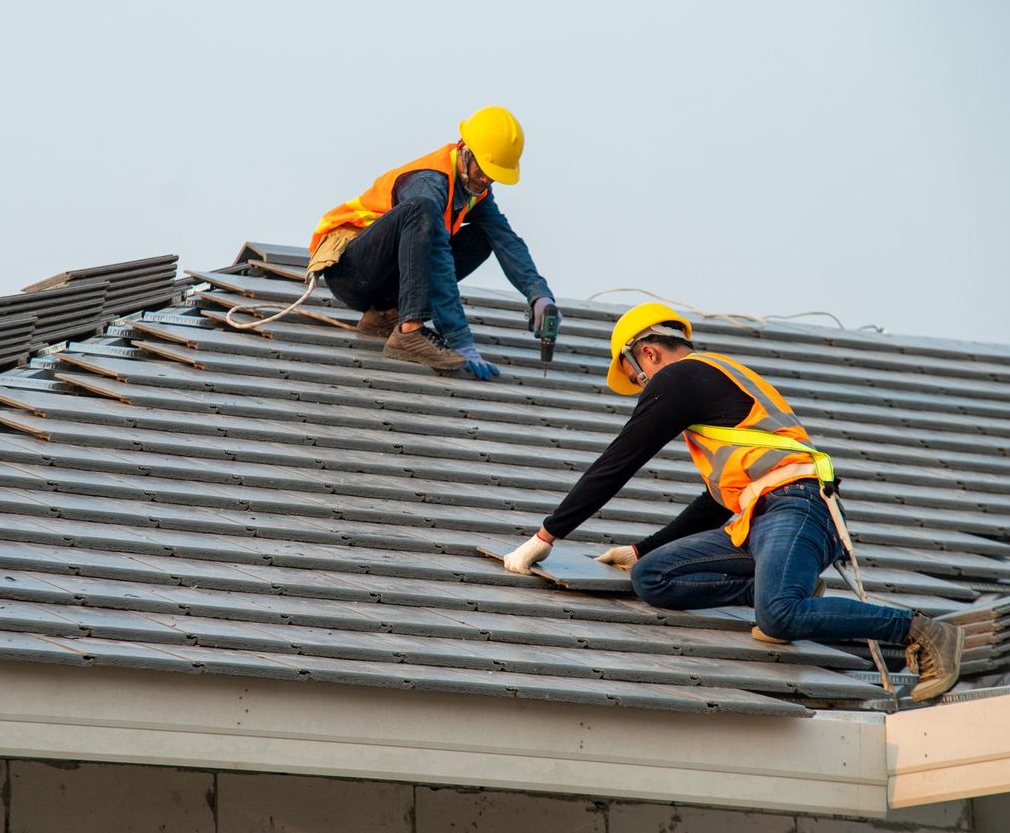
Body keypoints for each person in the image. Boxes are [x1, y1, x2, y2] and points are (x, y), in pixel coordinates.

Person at [501, 302, 964, 703]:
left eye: (636, 381)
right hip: (762, 515)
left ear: (646, 353)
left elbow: (618, 462)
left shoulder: (681, 377)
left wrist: (547, 535)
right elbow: (715, 502)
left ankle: (921, 631)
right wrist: (642, 550)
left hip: (798, 506)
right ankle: (775, 586)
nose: (643, 392)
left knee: (778, 616)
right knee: (653, 577)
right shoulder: (711, 381)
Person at [308, 106, 558, 379]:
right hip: (350, 269)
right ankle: (410, 331)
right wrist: (459, 338)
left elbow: (506, 239)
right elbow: (437, 259)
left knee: (485, 235)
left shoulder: (474, 188)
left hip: (383, 280)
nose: (486, 180)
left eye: (493, 175)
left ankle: (386, 315)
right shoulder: (429, 182)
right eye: (483, 171)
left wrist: (538, 295)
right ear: (466, 151)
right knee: (421, 211)